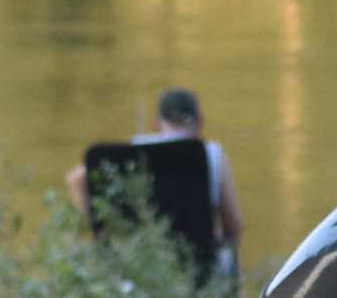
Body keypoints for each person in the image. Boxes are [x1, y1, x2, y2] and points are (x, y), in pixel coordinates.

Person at [71, 88, 243, 286]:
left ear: (157, 121)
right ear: (201, 121)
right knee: (229, 253)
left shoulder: (133, 150)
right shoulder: (212, 154)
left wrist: (99, 232)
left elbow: (76, 179)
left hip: (139, 264)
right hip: (198, 267)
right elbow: (234, 229)